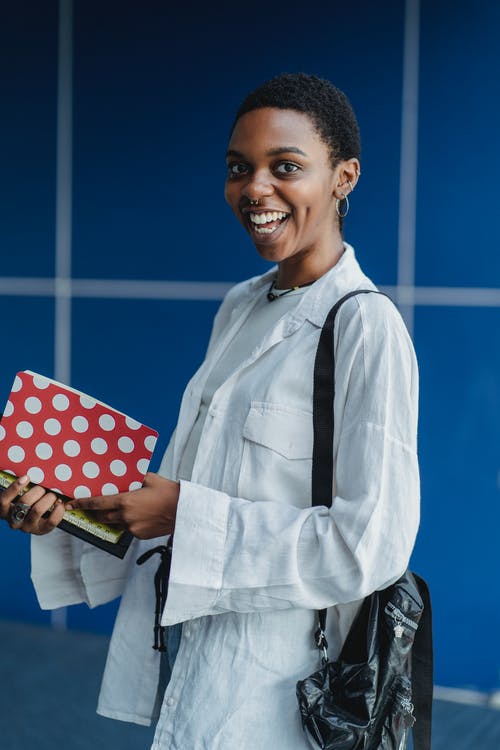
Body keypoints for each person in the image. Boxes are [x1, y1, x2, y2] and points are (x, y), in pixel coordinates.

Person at [1, 72, 420, 748]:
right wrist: (71, 512)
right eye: (238, 168)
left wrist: (180, 514)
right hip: (190, 655)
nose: (255, 188)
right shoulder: (242, 306)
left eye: (286, 167)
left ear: (344, 176)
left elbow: (369, 548)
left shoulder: (366, 329)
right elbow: (191, 502)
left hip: (282, 688)